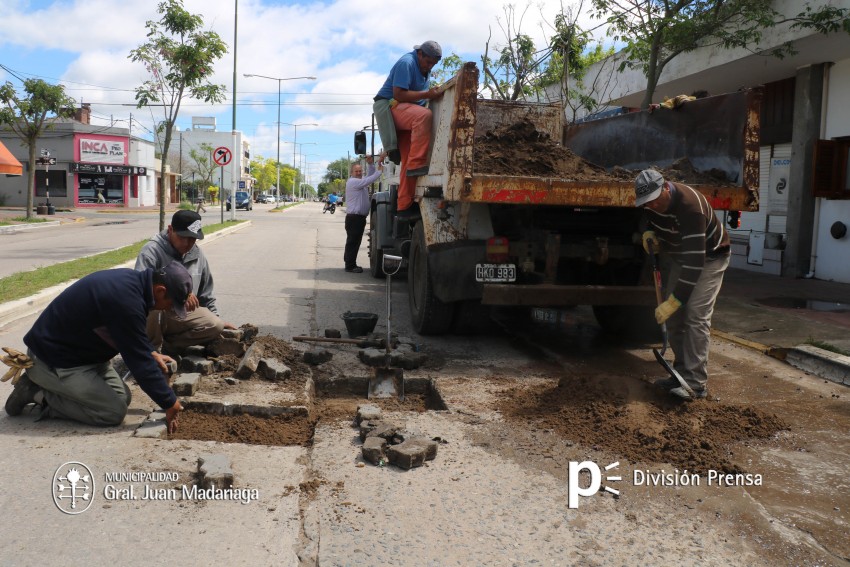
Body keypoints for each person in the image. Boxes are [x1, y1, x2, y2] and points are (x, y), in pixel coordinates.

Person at [4, 263, 191, 432]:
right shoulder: (126, 301)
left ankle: (51, 388)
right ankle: (36, 393)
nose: (168, 309)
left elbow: (130, 335)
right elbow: (139, 364)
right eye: (171, 304)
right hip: (52, 360)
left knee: (123, 398)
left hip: (84, 358)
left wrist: (150, 352)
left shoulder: (132, 285)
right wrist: (169, 402)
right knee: (112, 412)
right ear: (160, 290)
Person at [635, 169, 731, 400]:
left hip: (709, 257)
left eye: (655, 199)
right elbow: (645, 221)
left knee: (696, 314)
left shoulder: (690, 207)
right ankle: (680, 374)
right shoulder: (650, 205)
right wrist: (648, 233)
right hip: (681, 257)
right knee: (674, 317)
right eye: (647, 202)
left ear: (666, 188)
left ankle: (696, 383)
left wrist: (675, 301)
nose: (652, 205)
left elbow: (695, 264)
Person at [135, 210, 234, 353]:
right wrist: (182, 293)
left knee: (215, 325)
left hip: (182, 313)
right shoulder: (151, 251)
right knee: (152, 304)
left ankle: (170, 346)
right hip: (158, 311)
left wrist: (216, 318)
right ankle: (151, 351)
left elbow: (206, 293)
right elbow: (140, 291)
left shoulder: (197, 254)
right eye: (182, 237)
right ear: (170, 230)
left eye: (192, 239)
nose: (187, 243)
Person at [373, 40, 442, 218]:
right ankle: (416, 164)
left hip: (407, 112)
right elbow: (399, 94)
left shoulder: (424, 68)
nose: (429, 66)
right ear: (420, 54)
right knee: (423, 115)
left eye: (433, 64)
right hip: (390, 106)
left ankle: (403, 207)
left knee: (408, 160)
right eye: (428, 62)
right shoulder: (407, 63)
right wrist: (427, 94)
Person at [344, 152, 386, 273]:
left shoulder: (359, 181)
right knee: (353, 242)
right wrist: (380, 170)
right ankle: (350, 265)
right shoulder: (353, 182)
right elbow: (370, 179)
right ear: (351, 173)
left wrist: (371, 164)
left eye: (360, 171)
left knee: (354, 241)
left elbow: (369, 176)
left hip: (357, 218)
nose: (359, 173)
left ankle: (350, 263)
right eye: (356, 171)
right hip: (354, 218)